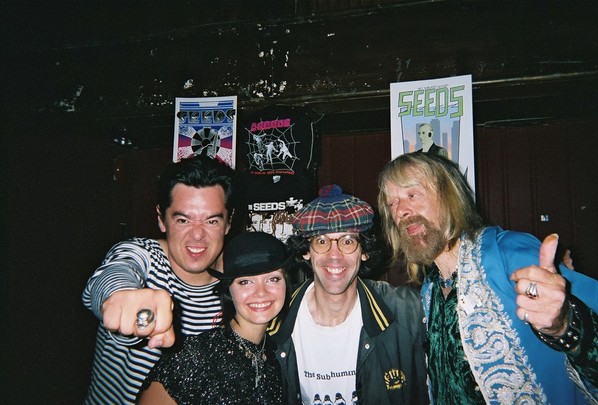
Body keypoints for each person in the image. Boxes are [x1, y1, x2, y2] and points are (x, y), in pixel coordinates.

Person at [377, 152, 598, 404]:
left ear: (449, 196)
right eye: (392, 203)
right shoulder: (431, 288)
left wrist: (565, 325)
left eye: (412, 195)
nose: (402, 211)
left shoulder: (509, 253)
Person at [82, 155, 236, 404]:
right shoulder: (141, 256)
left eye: (211, 220)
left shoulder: (238, 283)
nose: (197, 235)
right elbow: (115, 273)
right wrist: (121, 296)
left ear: (228, 223)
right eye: (183, 220)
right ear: (161, 219)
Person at [268, 184, 429, 404]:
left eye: (347, 241)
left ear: (364, 252)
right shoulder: (275, 316)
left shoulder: (406, 310)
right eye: (322, 241)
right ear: (306, 251)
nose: (335, 255)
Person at [137, 232, 290, 404]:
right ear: (229, 289)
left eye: (273, 279)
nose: (261, 292)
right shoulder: (194, 356)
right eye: (245, 282)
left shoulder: (279, 355)